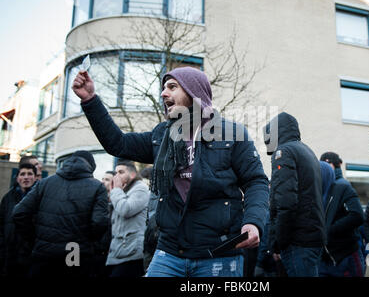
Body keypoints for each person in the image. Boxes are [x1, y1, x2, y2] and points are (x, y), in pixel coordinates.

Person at [72, 66, 269, 277]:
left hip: (218, 252)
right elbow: (118, 144)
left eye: (172, 87)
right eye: (164, 87)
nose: (164, 93)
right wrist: (90, 100)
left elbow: (255, 181)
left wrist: (253, 222)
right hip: (170, 252)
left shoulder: (231, 133)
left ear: (193, 92)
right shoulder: (161, 136)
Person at [12, 151, 109, 278]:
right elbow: (99, 222)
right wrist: (87, 242)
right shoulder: (97, 187)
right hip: (74, 253)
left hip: (44, 252)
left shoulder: (45, 183)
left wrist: (35, 238)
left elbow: (19, 213)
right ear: (91, 167)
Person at [263, 112, 325, 277]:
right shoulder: (307, 151)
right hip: (312, 236)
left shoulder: (284, 152)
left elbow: (285, 202)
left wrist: (278, 241)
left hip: (297, 240)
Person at [318, 161, 365, 277]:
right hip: (323, 259)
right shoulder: (314, 195)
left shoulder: (342, 189)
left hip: (345, 256)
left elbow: (357, 215)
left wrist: (329, 230)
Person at [106, 160, 150, 277]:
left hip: (131, 252)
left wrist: (115, 191)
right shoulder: (122, 191)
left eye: (121, 172)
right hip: (118, 252)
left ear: (133, 174)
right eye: (115, 173)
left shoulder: (140, 189)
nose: (117, 176)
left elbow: (125, 209)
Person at [0, 163, 37, 277]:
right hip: (9, 255)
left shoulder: (40, 198)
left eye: (30, 174)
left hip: (30, 256)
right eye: (23, 174)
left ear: (35, 178)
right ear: (17, 178)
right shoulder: (7, 198)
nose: (26, 177)